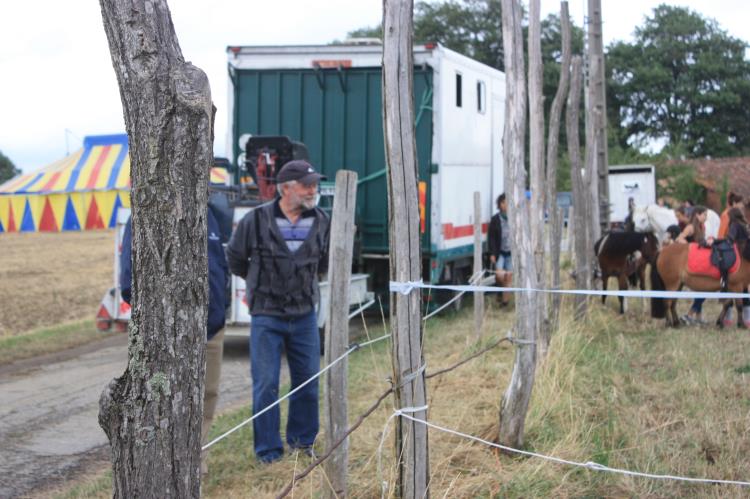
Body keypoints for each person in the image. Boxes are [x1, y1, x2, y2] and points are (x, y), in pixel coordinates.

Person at [226, 159, 330, 464]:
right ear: (286, 188)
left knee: (309, 380)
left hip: (304, 316)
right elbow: (235, 259)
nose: (313, 190)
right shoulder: (255, 221)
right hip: (266, 316)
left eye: (314, 184)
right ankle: (269, 453)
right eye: (306, 184)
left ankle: (302, 445)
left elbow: (323, 264)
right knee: (266, 384)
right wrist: (260, 283)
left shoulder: (322, 220)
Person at [120, 204, 229, 475]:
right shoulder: (145, 213)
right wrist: (160, 319)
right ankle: (159, 467)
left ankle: (195, 464)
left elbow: (220, 264)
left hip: (211, 328)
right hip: (165, 335)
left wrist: (220, 303)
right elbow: (128, 281)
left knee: (207, 395)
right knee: (161, 401)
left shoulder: (210, 213)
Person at [675, 206, 713, 324]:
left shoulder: (702, 227)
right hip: (691, 261)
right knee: (704, 289)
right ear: (697, 215)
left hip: (699, 261)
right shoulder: (690, 227)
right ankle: (690, 314)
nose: (706, 218)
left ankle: (697, 316)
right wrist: (691, 246)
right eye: (704, 215)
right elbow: (679, 239)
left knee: (702, 288)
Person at [487, 193, 511, 307]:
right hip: (500, 252)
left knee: (508, 277)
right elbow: (491, 238)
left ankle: (505, 302)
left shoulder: (514, 218)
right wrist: (492, 253)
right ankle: (500, 290)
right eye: (503, 203)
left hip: (511, 253)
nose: (505, 205)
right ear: (500, 204)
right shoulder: (495, 219)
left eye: (506, 202)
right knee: (500, 275)